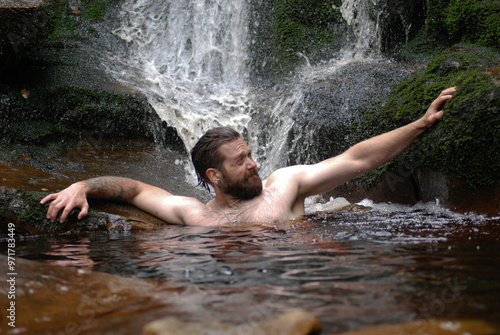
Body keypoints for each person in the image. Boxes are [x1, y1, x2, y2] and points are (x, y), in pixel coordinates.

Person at [41, 87, 456, 226]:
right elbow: (132, 191)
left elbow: (357, 160)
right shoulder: (193, 214)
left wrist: (420, 124)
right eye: (241, 160)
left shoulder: (285, 185)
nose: (254, 163)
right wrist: (81, 187)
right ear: (214, 176)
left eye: (251, 154)